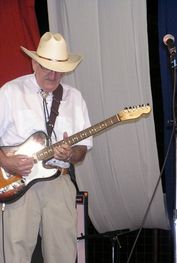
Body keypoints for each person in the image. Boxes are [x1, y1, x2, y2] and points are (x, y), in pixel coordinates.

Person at [0, 32, 93, 262]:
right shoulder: (10, 92)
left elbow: (82, 151)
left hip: (59, 182)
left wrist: (71, 153)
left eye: (58, 69)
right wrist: (6, 161)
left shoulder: (75, 98)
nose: (53, 75)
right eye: (46, 68)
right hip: (18, 184)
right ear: (34, 62)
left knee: (63, 253)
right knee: (15, 253)